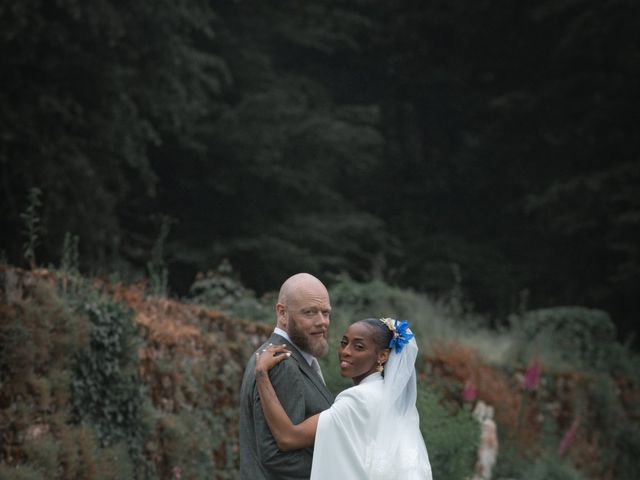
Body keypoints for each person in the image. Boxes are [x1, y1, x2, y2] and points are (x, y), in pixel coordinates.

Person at [255, 317, 432, 480]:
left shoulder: (358, 399)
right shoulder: (391, 398)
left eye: (359, 347)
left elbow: (288, 438)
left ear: (382, 356)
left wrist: (262, 374)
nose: (346, 352)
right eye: (344, 343)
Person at [239, 273, 335, 479]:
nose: (322, 322)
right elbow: (277, 457)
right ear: (282, 313)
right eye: (309, 313)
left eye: (325, 313)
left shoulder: (281, 356)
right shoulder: (281, 363)